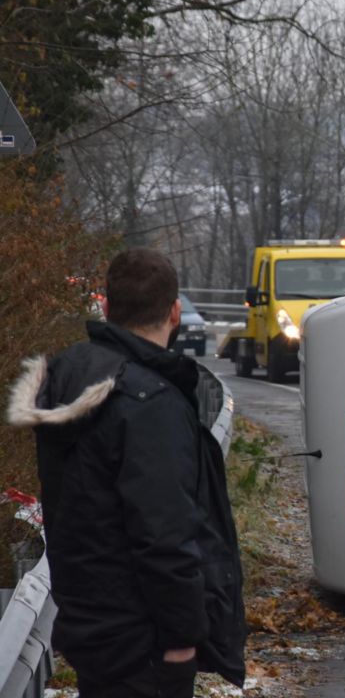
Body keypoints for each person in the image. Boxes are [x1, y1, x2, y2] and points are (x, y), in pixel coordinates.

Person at [5, 248, 245, 698]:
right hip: (145, 642)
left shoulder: (72, 381)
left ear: (108, 309)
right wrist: (180, 639)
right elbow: (164, 535)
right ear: (175, 313)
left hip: (91, 625)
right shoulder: (149, 405)